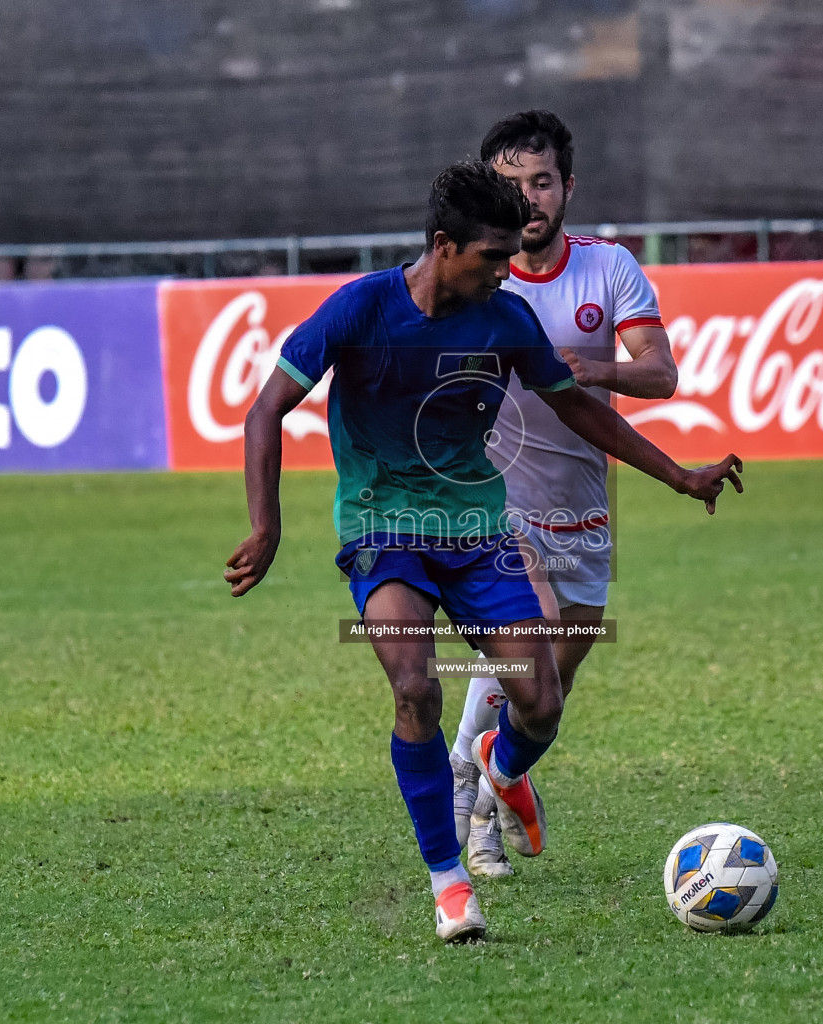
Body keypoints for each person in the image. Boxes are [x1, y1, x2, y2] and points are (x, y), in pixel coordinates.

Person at [225, 161, 741, 944]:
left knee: (540, 703)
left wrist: (678, 475)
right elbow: (267, 410)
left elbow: (579, 412)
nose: (507, 272)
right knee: (415, 688)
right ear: (444, 245)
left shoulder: (503, 320)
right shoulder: (361, 309)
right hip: (383, 531)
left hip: (480, 537)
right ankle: (449, 882)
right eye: (493, 257)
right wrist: (267, 525)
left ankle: (503, 765)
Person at [451, 110, 681, 876]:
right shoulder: (473, 277)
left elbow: (661, 372)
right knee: (532, 631)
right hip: (493, 497)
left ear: (567, 186)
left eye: (542, 181)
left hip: (583, 506)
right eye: (512, 185)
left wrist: (596, 370)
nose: (530, 198)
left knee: (550, 686)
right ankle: (471, 806)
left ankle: (500, 775)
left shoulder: (610, 269)